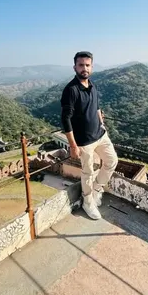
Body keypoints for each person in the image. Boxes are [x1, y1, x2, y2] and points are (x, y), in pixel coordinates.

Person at [60, 51, 118, 220]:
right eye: (81, 65)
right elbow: (65, 119)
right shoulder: (71, 90)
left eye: (87, 65)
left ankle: (96, 190)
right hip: (84, 141)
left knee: (112, 161)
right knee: (88, 172)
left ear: (91, 67)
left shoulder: (92, 85)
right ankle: (87, 202)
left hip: (100, 135)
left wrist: (101, 123)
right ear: (75, 67)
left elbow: (97, 107)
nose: (84, 68)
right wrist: (73, 145)